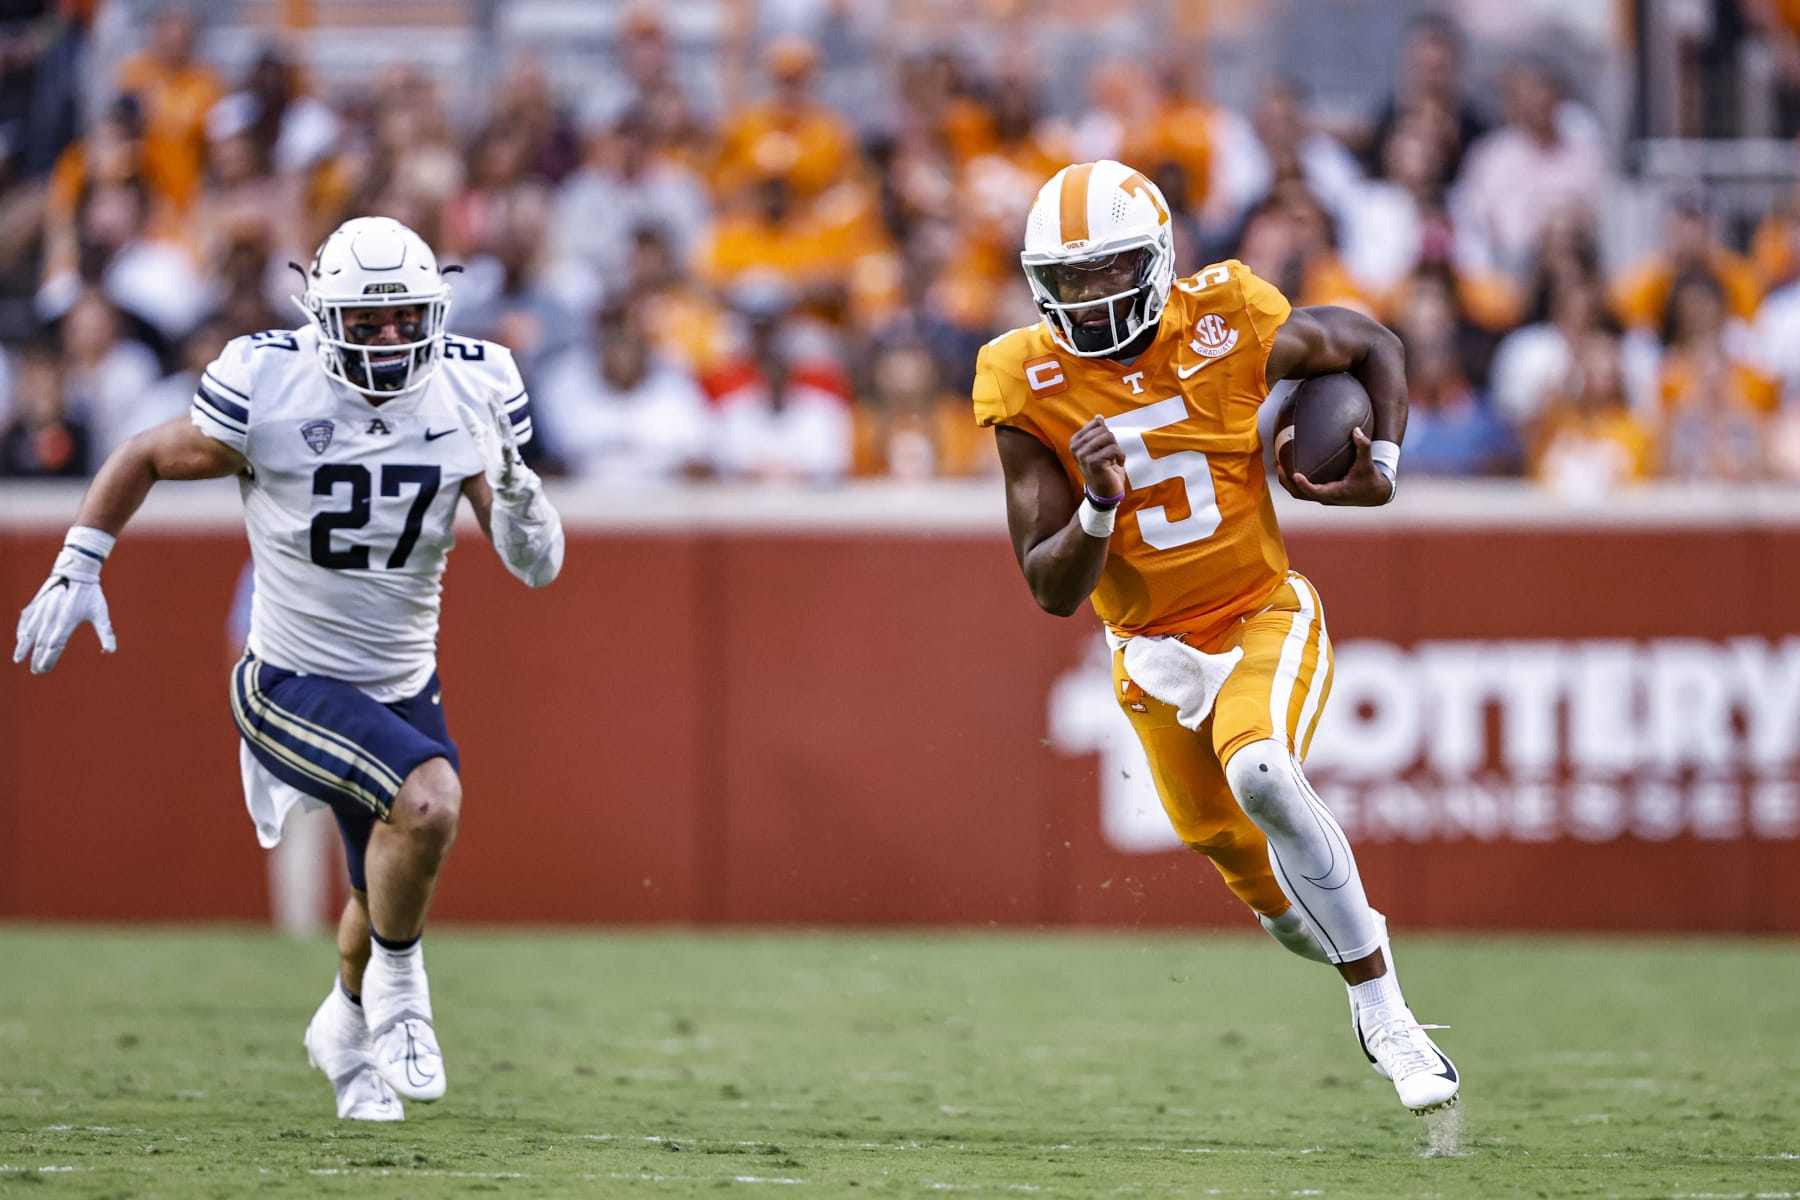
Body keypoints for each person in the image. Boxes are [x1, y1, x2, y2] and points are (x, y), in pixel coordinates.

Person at [12, 216, 566, 1122]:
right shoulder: (273, 380)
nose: (389, 340)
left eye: (405, 319)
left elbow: (534, 567)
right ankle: (402, 998)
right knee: (429, 802)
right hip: (288, 680)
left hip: (401, 680)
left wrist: (521, 497)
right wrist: (81, 559)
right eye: (367, 321)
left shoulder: (475, 382)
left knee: (384, 878)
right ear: (323, 319)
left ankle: (344, 1030)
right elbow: (146, 452)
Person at [974, 159, 1457, 1114]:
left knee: (1262, 769)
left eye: (1110, 269)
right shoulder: (1021, 377)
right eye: (1070, 278)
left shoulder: (1226, 314)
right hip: (1149, 653)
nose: (1092, 296)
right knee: (1260, 885)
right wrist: (1100, 506)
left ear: (1156, 259)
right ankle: (1325, 936)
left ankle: (1386, 1013)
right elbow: (1049, 589)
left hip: (1260, 612)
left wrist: (1387, 465)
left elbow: (1373, 341)